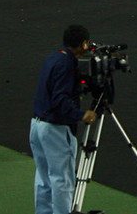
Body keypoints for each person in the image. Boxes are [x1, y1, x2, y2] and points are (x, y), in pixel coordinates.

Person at [30, 25, 97, 214]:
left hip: (37, 125)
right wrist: (81, 115)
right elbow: (60, 98)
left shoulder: (54, 57)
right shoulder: (67, 64)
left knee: (44, 178)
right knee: (62, 180)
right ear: (83, 43)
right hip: (54, 129)